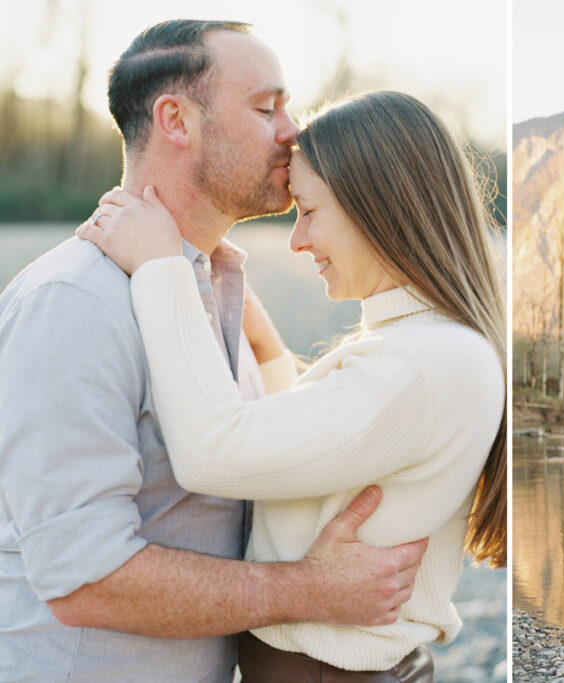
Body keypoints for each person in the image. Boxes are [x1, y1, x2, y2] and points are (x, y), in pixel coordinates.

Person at [0, 21, 426, 683]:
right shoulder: (75, 301)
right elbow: (84, 578)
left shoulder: (211, 287)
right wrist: (311, 589)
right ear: (176, 120)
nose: (293, 130)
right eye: (266, 108)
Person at [77, 89, 507, 681]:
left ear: (377, 207)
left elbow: (212, 454)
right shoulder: (431, 345)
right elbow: (326, 453)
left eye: (308, 210)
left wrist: (160, 271)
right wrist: (272, 354)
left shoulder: (426, 363)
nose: (298, 240)